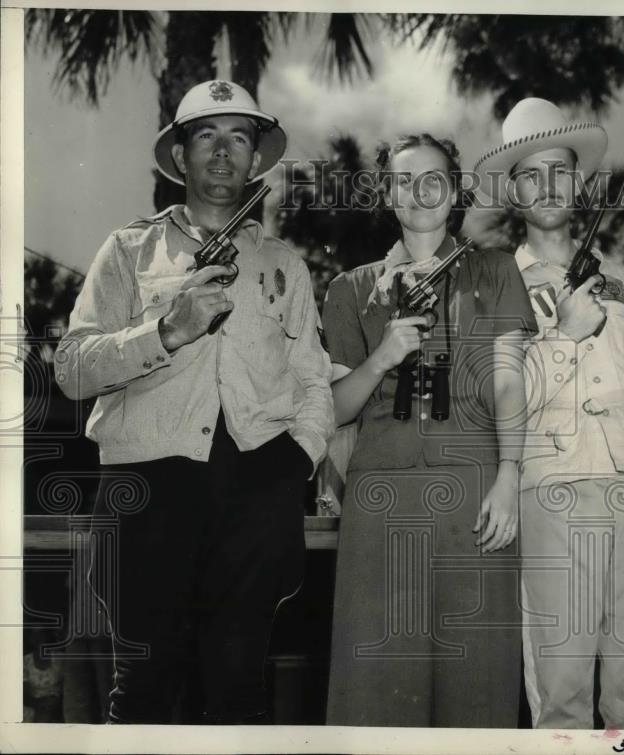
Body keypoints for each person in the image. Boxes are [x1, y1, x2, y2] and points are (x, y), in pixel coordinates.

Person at [55, 80, 335, 724]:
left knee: (239, 693)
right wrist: (166, 331)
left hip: (256, 491)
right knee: (143, 691)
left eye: (239, 136)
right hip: (148, 489)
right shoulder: (128, 250)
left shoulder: (285, 265)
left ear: (256, 159)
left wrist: (298, 459)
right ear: (179, 156)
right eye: (206, 134)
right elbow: (71, 369)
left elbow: (312, 380)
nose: (222, 151)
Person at [475, 98, 624, 730]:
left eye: (560, 171)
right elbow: (500, 395)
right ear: (515, 191)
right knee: (561, 687)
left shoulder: (620, 279)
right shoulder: (493, 281)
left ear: (578, 183)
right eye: (530, 174)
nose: (547, 185)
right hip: (554, 486)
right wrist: (564, 335)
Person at [322, 134, 537, 727]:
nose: (419, 192)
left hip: (473, 493)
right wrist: (380, 358)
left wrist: (509, 474)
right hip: (379, 499)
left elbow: (509, 383)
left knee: (479, 682)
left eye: (434, 179)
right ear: (387, 193)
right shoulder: (349, 289)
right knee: (374, 686)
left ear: (456, 189)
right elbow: (336, 408)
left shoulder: (494, 271)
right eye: (403, 180)